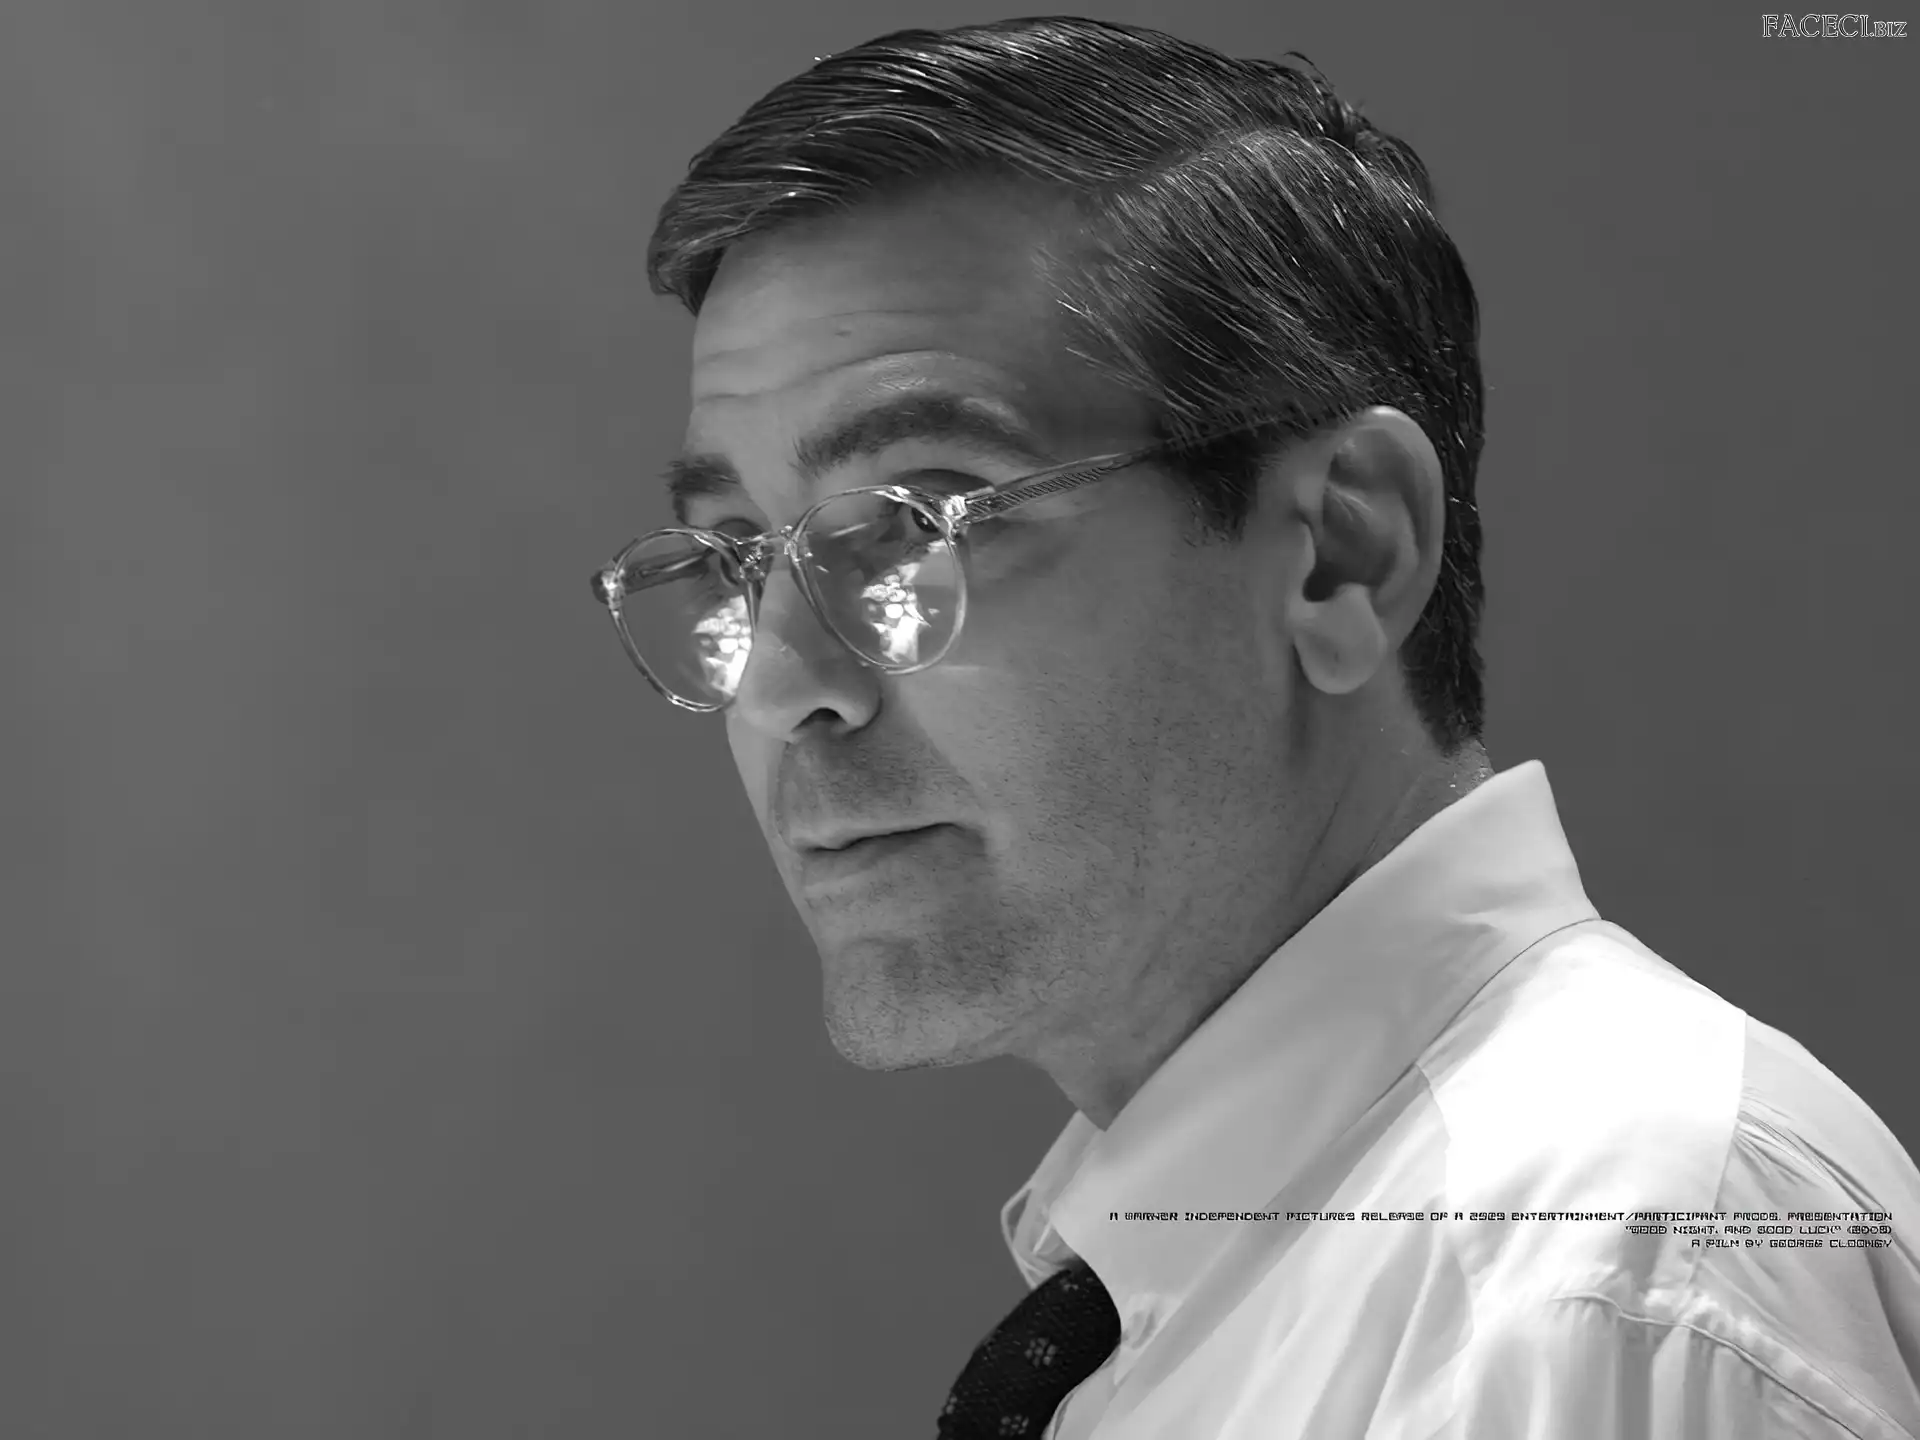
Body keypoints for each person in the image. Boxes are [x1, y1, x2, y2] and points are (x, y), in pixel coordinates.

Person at [588, 16, 1920, 1438]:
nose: (785, 685)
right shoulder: (1296, 1280)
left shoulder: (1609, 1283)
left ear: (1344, 550)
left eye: (919, 519)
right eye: (735, 554)